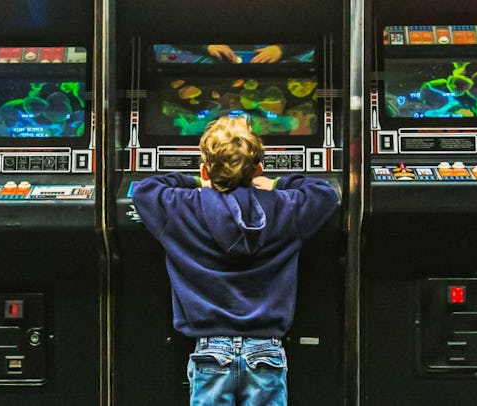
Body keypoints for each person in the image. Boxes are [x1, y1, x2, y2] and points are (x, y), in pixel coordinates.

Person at [132, 116, 339, 405]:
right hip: (267, 349)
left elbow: (143, 190)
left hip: (209, 350)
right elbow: (325, 194)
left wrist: (198, 182)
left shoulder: (180, 208)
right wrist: (276, 183)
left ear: (205, 170)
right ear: (257, 169)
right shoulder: (284, 208)